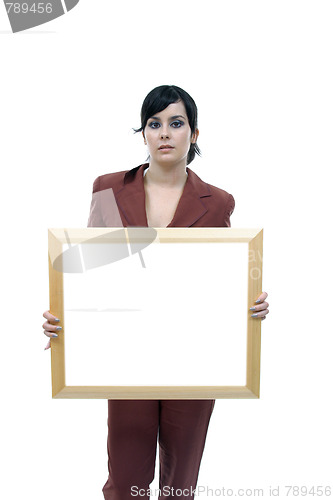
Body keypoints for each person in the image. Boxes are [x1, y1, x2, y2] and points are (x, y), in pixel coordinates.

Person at [43, 85, 269, 500]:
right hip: (129, 353)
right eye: (154, 123)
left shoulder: (217, 202)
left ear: (194, 135)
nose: (165, 132)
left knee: (180, 483)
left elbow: (222, 275)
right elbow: (93, 271)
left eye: (176, 123)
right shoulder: (109, 187)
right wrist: (64, 316)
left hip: (196, 357)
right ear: (144, 133)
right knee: (126, 476)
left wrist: (250, 301)